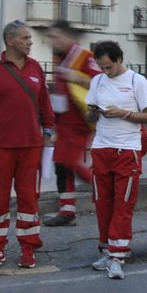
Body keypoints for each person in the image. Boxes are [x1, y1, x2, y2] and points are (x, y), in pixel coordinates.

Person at [0, 21, 55, 268]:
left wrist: (48, 130)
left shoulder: (35, 68)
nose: (30, 42)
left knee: (29, 198)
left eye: (30, 38)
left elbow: (45, 104)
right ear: (10, 41)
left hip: (31, 146)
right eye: (25, 38)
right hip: (1, 147)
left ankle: (29, 248)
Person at [84, 40, 147, 280]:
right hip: (102, 147)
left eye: (108, 67)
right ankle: (106, 249)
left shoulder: (137, 81)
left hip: (127, 149)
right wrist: (94, 110)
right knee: (102, 202)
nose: (105, 72)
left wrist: (123, 113)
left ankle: (118, 254)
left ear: (119, 60)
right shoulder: (97, 81)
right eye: (101, 68)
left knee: (123, 204)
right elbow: (88, 116)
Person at [42, 22, 100, 227]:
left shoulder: (84, 57)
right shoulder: (62, 60)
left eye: (56, 37)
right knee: (61, 163)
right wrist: (54, 125)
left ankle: (104, 185)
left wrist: (78, 78)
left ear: (68, 37)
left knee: (68, 162)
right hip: (65, 123)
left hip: (80, 123)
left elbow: (101, 82)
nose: (52, 42)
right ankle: (67, 210)